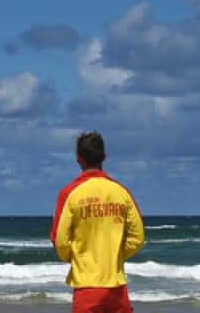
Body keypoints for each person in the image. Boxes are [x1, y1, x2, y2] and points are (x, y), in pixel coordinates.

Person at [50, 131, 145, 313]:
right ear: (104, 157)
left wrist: (78, 257)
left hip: (87, 287)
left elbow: (60, 241)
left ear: (78, 159)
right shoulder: (121, 192)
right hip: (117, 288)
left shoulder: (70, 193)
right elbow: (137, 238)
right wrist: (114, 255)